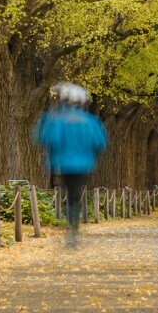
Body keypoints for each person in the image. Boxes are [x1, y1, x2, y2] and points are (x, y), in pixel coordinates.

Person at [36, 82, 108, 246]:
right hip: (84, 163)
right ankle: (74, 226)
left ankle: (70, 223)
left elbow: (47, 139)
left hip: (62, 162)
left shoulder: (57, 120)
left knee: (68, 193)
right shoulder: (90, 121)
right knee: (75, 195)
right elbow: (100, 143)